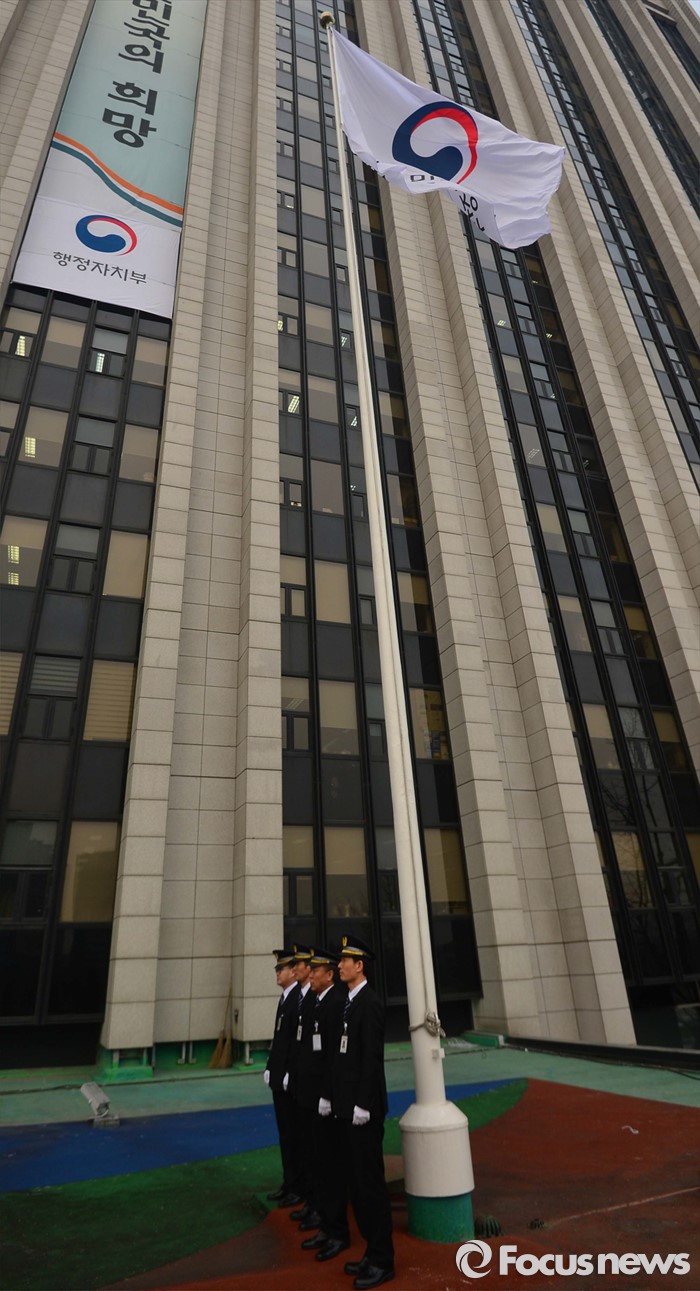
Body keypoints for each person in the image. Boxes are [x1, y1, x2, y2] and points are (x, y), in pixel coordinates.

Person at [311, 934, 395, 1289]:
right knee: (357, 1188)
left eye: (346, 960)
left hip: (364, 1111)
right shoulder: (348, 1002)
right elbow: (339, 1057)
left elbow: (371, 1059)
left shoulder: (370, 1003)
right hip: (346, 1108)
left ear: (359, 966)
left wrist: (363, 1103)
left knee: (370, 1186)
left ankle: (382, 1259)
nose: (340, 965)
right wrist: (330, 1096)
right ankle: (370, 1253)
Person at [294, 947, 345, 1236]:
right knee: (313, 1154)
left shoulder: (336, 1003)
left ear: (329, 974)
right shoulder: (315, 1001)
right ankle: (319, 1212)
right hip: (310, 1092)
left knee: (328, 1161)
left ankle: (332, 1223)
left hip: (324, 1095)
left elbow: (332, 1057)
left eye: (316, 970)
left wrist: (326, 1094)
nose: (310, 975)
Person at [264, 947, 302, 1207]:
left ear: (293, 972)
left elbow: (295, 1043)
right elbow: (279, 1040)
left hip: (290, 1081)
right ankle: (289, 1183)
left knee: (294, 1136)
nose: (277, 973)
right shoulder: (284, 998)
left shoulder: (297, 999)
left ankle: (297, 1185)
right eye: (277, 969)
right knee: (285, 1135)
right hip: (279, 1078)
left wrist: (289, 1072)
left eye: (282, 969)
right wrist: (271, 1067)